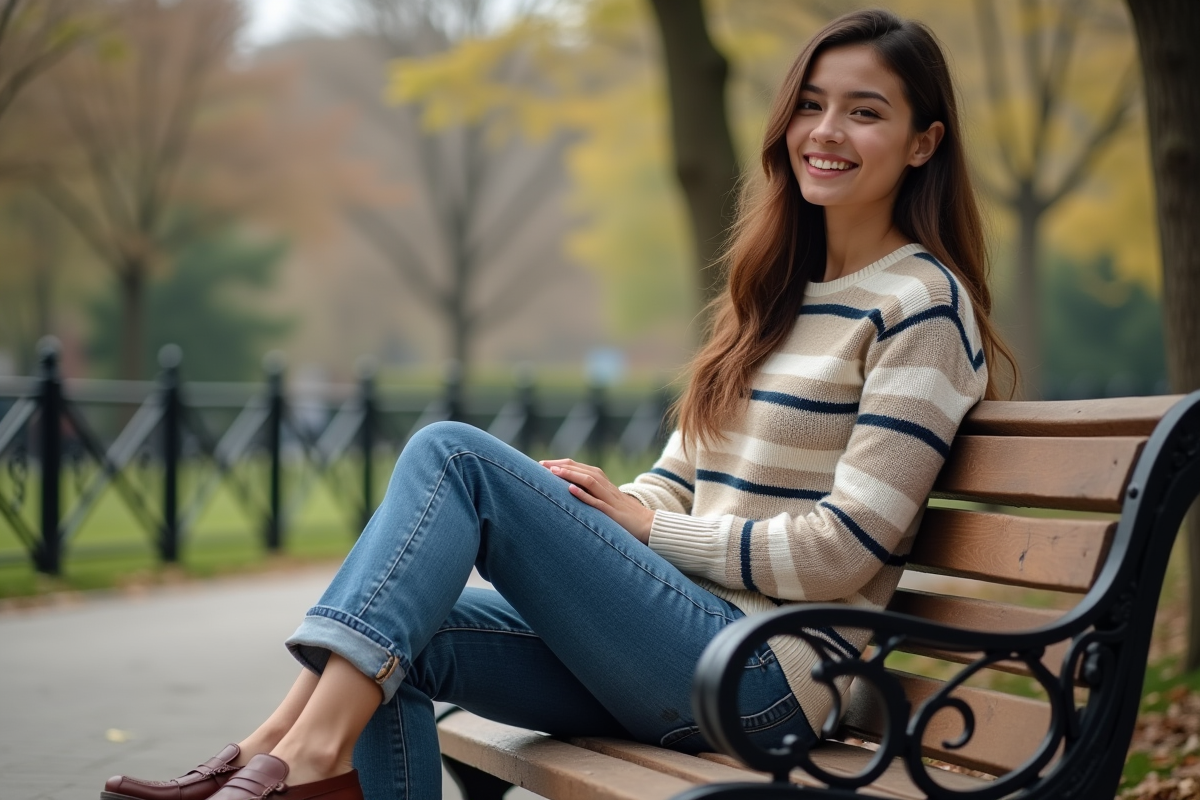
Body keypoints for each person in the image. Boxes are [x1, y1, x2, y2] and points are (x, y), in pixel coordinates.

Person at [100, 8, 1015, 800]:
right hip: (685, 644)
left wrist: (646, 537)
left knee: (452, 455)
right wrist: (588, 509)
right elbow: (679, 479)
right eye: (811, 105)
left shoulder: (921, 307)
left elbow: (843, 547)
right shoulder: (778, 293)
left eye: (866, 112)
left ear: (924, 142)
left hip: (766, 677)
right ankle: (284, 751)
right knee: (396, 636)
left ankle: (292, 757)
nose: (827, 130)